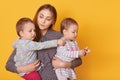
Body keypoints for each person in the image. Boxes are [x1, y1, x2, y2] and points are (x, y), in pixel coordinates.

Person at [5, 4, 82, 80]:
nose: (43, 21)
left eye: (48, 19)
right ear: (37, 16)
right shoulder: (26, 38)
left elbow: (78, 60)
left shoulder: (60, 37)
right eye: (41, 17)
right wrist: (24, 69)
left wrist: (64, 64)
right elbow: (9, 65)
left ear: (52, 21)